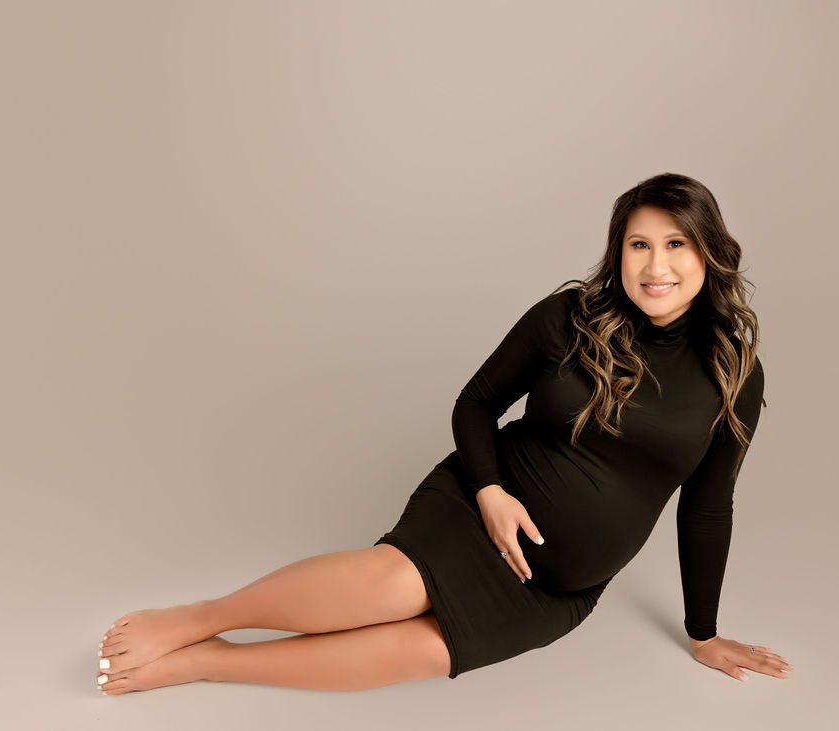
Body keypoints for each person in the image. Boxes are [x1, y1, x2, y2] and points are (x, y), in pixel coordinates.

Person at [95, 172, 793, 695]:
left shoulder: (734, 372)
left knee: (423, 651)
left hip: (556, 588)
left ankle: (205, 662)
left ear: (708, 252)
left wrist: (703, 633)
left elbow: (706, 506)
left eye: (675, 243)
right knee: (389, 585)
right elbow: (476, 402)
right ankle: (197, 617)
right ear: (618, 253)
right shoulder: (569, 317)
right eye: (638, 244)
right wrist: (490, 492)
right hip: (479, 506)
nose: (655, 265)